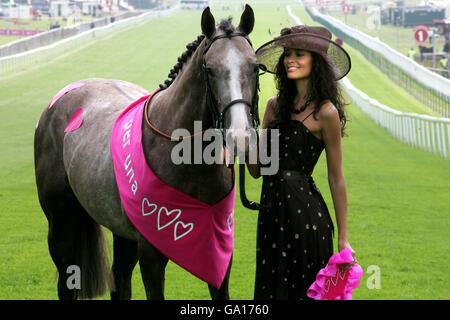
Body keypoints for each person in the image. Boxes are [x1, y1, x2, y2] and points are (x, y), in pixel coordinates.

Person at [247, 25, 356, 300]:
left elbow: (336, 177)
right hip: (271, 217)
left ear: (315, 61)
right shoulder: (273, 106)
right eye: (287, 54)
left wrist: (343, 237)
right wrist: (243, 140)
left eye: (299, 54)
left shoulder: (326, 113)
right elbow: (257, 170)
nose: (290, 60)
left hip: (306, 220)